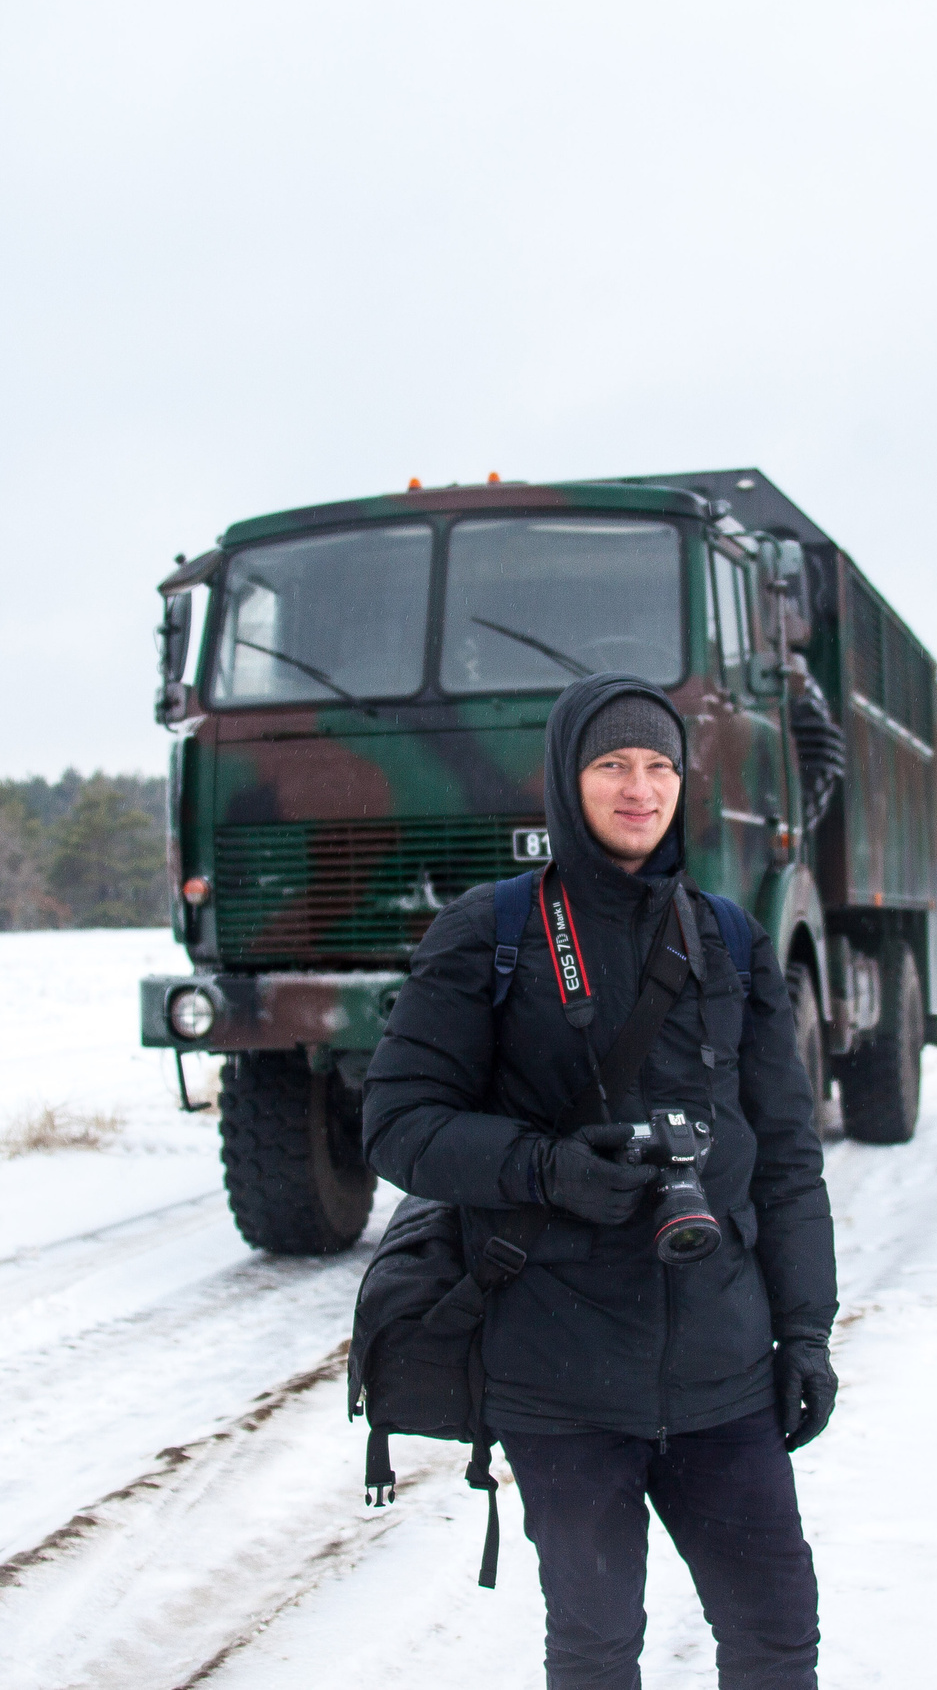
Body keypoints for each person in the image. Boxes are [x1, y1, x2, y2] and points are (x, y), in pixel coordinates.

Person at [364, 671, 840, 1690]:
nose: (640, 788)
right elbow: (397, 1127)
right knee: (594, 1649)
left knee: (776, 1637)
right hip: (560, 1380)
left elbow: (787, 1157)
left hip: (723, 1373)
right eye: (612, 764)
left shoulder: (730, 937)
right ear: (564, 778)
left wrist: (804, 1331)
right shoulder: (490, 934)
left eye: (661, 765)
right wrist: (547, 1170)